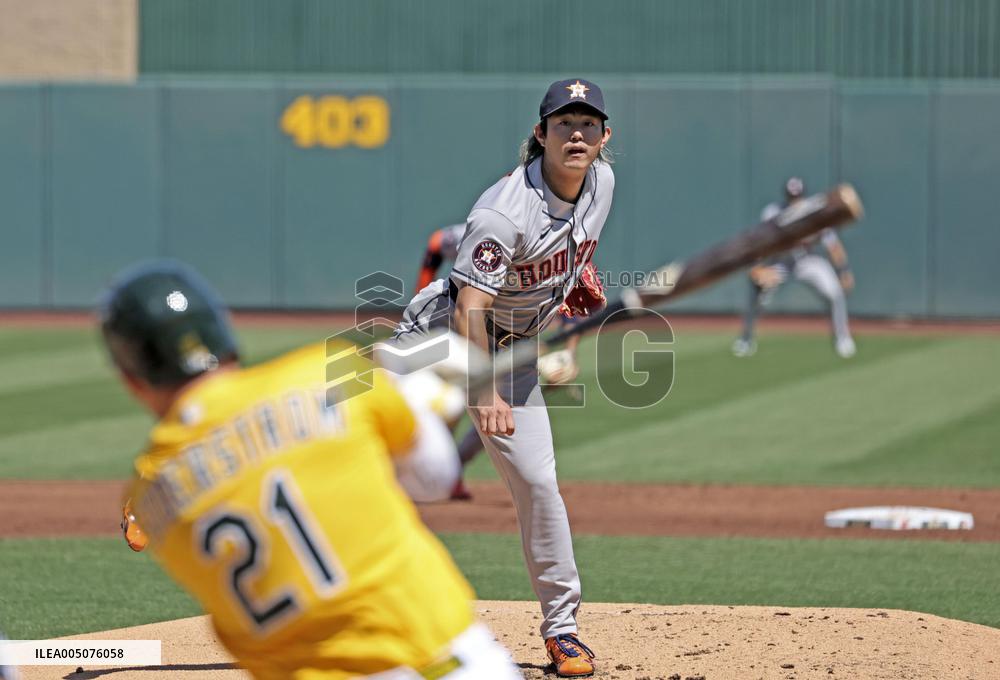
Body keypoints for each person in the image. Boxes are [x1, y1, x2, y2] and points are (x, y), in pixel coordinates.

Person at [103, 260, 520, 680]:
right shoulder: (328, 376)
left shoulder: (150, 494)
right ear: (223, 330)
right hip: (437, 659)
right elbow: (436, 478)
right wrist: (428, 407)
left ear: (131, 379)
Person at [392, 78, 614, 678]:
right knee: (331, 430)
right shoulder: (502, 211)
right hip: (441, 337)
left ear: (604, 136)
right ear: (540, 134)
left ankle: (562, 631)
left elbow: (572, 246)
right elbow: (469, 309)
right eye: (564, 123)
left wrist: (575, 278)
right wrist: (483, 389)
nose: (576, 133)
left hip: (513, 352)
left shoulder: (603, 185)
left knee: (539, 483)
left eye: (588, 123)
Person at [414, 222, 585, 502]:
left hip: (509, 334)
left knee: (503, 410)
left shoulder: (557, 246)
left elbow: (571, 307)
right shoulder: (485, 232)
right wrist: (420, 292)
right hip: (466, 327)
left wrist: (568, 354)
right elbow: (436, 242)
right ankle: (428, 470)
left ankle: (450, 469)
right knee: (450, 402)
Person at [732, 177, 857, 358]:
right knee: (757, 294)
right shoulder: (773, 213)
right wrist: (758, 269)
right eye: (791, 197)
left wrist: (844, 270)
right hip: (780, 262)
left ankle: (843, 339)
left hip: (806, 261)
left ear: (803, 196)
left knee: (835, 293)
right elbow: (759, 244)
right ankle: (746, 339)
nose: (794, 201)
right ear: (786, 197)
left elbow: (833, 245)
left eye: (797, 197)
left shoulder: (815, 213)